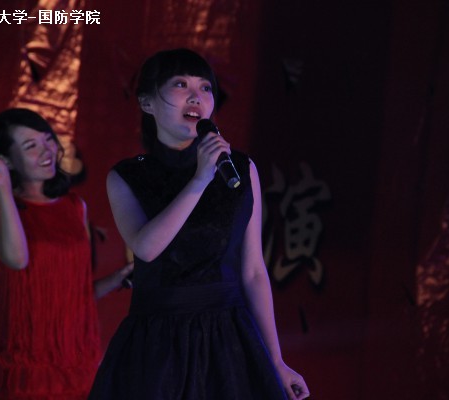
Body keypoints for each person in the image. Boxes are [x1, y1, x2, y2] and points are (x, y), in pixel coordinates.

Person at [88, 48, 310, 400]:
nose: (196, 96)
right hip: (158, 343)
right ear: (147, 103)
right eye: (180, 84)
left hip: (228, 339)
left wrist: (276, 360)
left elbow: (253, 271)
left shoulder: (239, 167)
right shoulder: (128, 175)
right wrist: (200, 179)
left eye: (205, 87)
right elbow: (146, 248)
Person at [0, 108, 133, 400]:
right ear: (6, 160)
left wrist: (118, 278)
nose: (46, 151)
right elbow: (17, 259)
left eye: (47, 139)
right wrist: (3, 188)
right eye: (31, 146)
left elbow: (74, 298)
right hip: (26, 361)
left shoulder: (75, 206)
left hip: (75, 359)